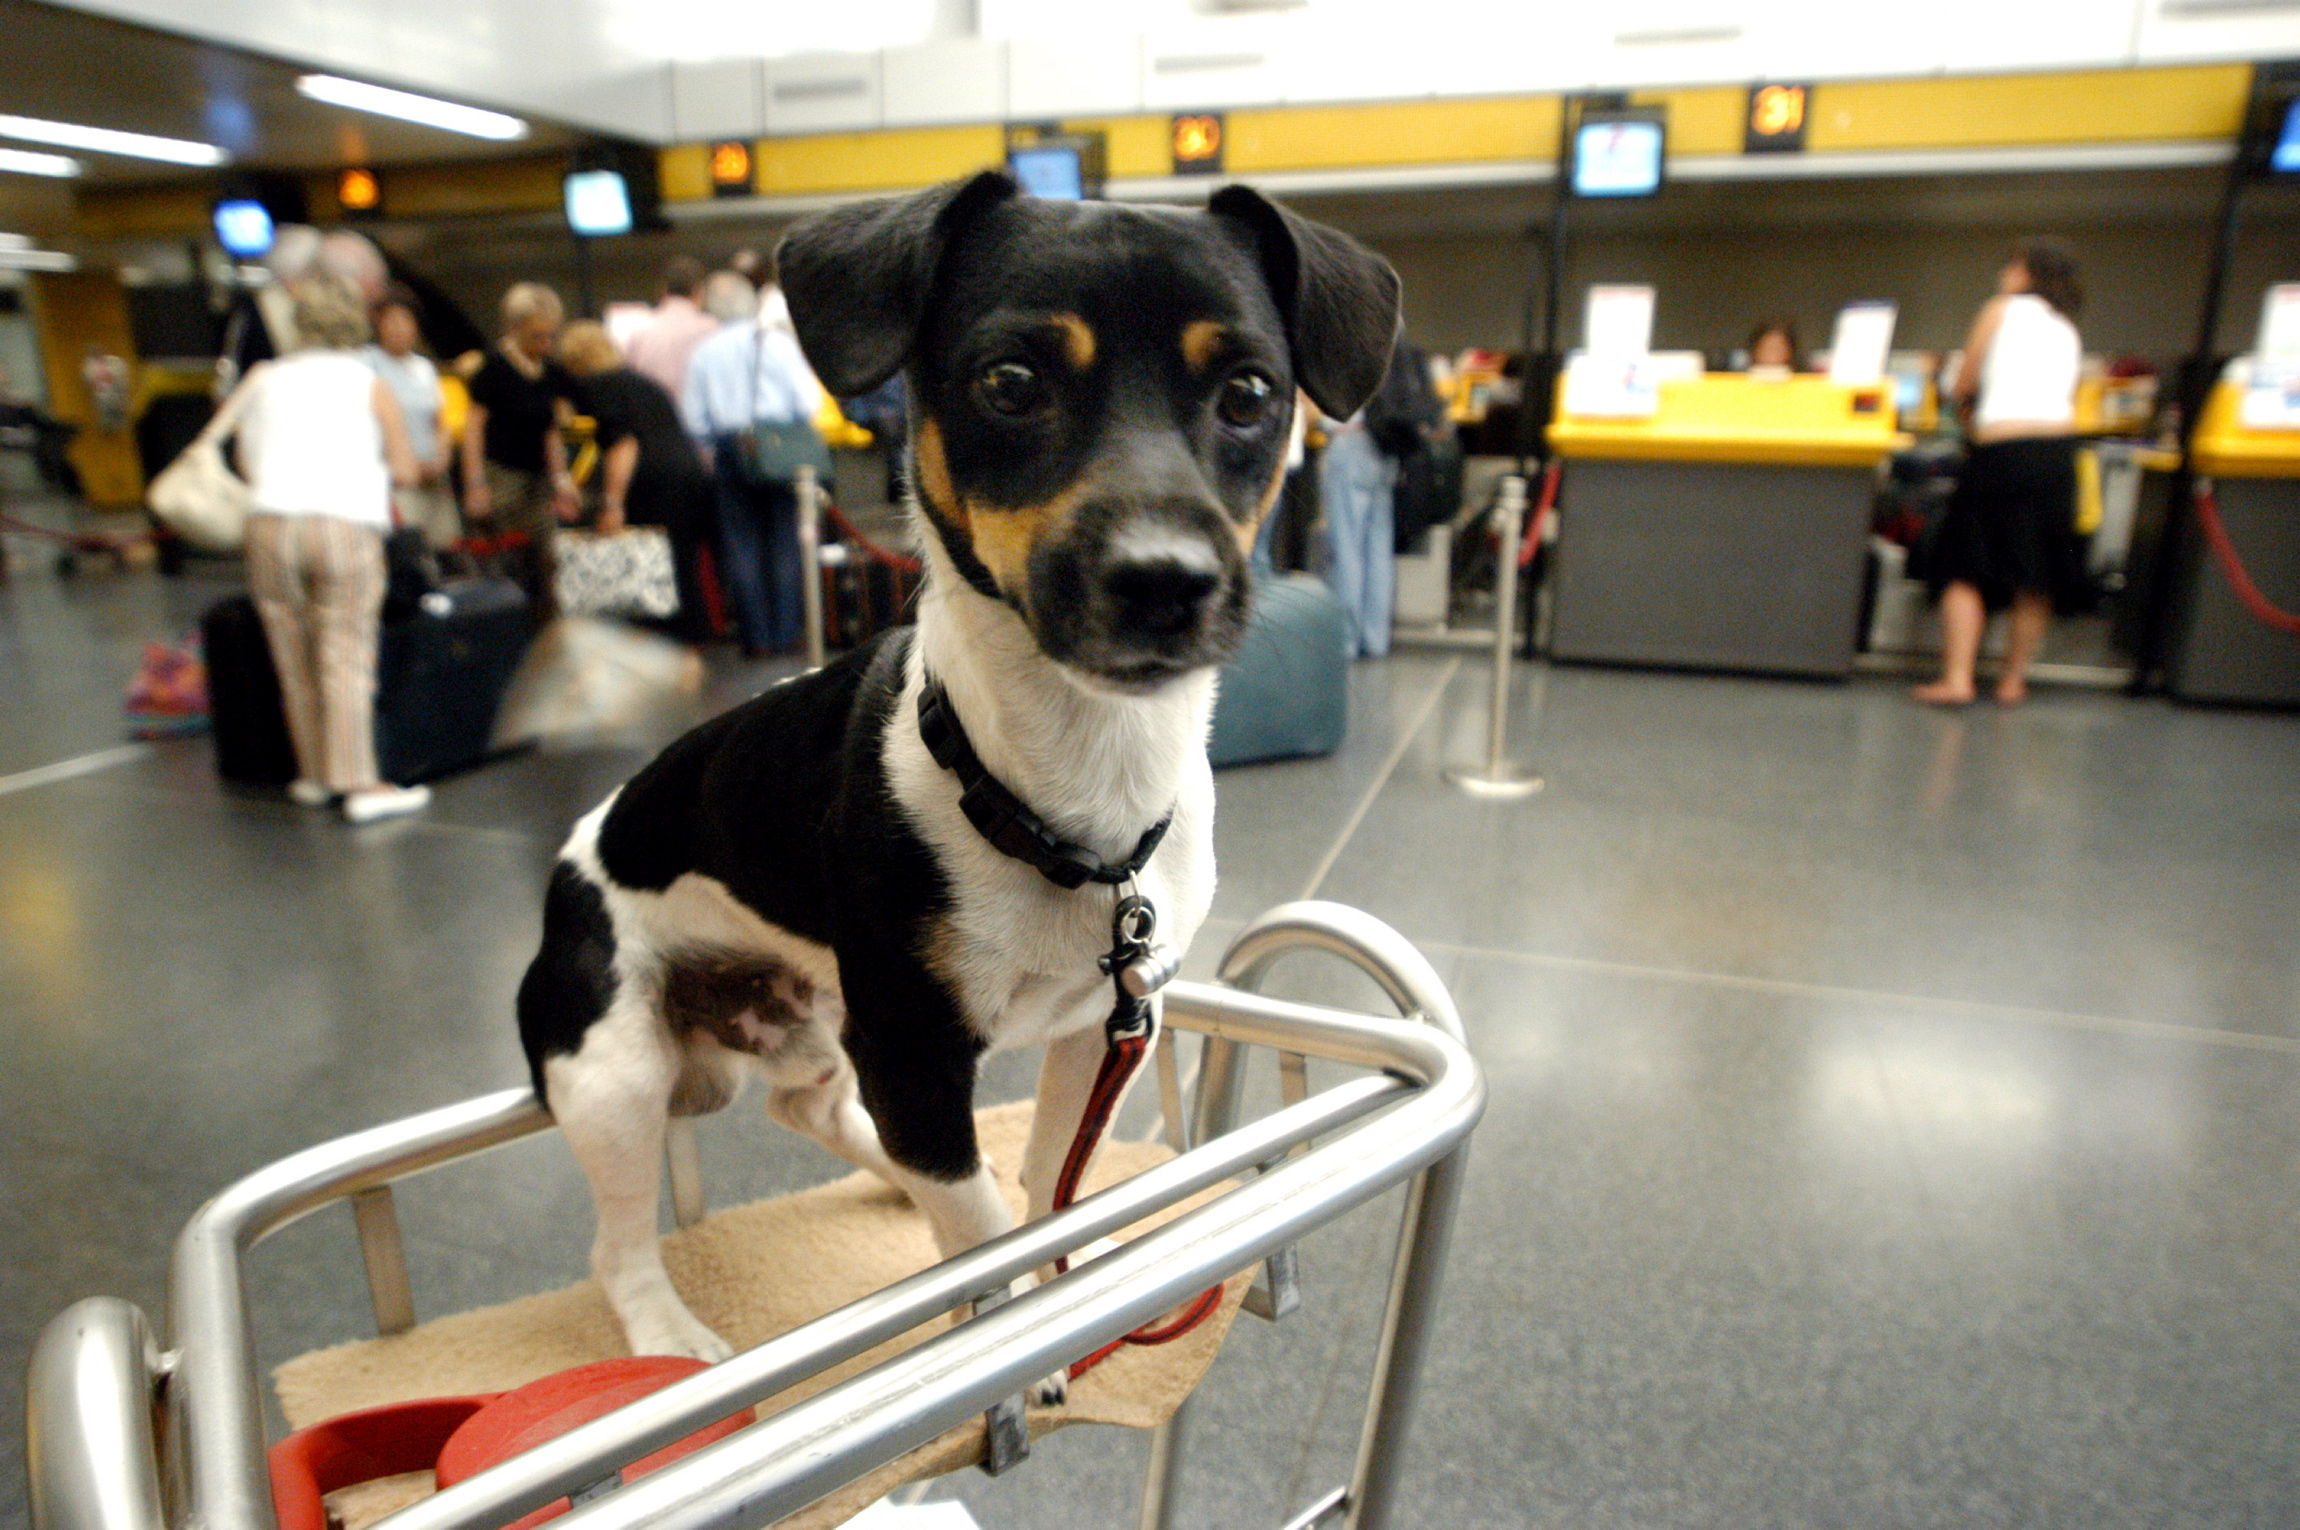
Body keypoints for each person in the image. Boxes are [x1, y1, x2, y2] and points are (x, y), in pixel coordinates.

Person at [229, 278, 426, 822]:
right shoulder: (366, 383)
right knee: (345, 653)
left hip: (268, 525)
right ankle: (361, 785)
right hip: (342, 524)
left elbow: (245, 464)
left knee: (292, 656)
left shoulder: (263, 379)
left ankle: (314, 776)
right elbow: (406, 468)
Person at [1915, 240, 2085, 707]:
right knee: (2037, 571)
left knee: (1963, 564)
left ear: (2025, 271)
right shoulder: (2066, 328)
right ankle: (2012, 682)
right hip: (2057, 453)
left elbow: (1964, 382)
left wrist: (1965, 412)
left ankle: (1957, 680)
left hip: (2002, 451)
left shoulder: (2002, 308)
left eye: (2009, 265)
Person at [681, 274, 824, 656]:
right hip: (779, 448)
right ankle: (788, 632)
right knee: (785, 542)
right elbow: (808, 402)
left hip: (730, 450)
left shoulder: (704, 353)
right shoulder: (778, 345)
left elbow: (694, 420)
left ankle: (757, 638)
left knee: (740, 545)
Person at [558, 321, 716, 644]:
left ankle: (657, 646)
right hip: (687, 475)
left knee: (649, 569)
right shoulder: (643, 382)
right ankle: (693, 645)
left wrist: (612, 503)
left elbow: (622, 445)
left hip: (651, 483)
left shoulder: (596, 386)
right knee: (682, 567)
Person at [462, 283, 578, 622]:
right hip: (502, 478)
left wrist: (563, 480)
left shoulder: (551, 372)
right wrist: (476, 484)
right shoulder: (493, 369)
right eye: (537, 336)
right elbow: (473, 430)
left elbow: (553, 430)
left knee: (549, 561)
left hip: (539, 480)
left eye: (550, 336)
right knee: (508, 561)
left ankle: (549, 633)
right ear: (514, 329)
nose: (545, 344)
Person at [361, 285, 456, 548]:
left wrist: (441, 458)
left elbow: (439, 420)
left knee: (442, 546)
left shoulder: (424, 367)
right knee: (407, 548)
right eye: (391, 320)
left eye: (405, 320)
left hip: (433, 478)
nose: (398, 327)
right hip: (395, 481)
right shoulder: (367, 363)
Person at [622, 256, 718, 405]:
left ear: (662, 290)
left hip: (653, 419)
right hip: (699, 421)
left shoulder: (640, 331)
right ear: (699, 291)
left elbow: (628, 381)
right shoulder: (713, 329)